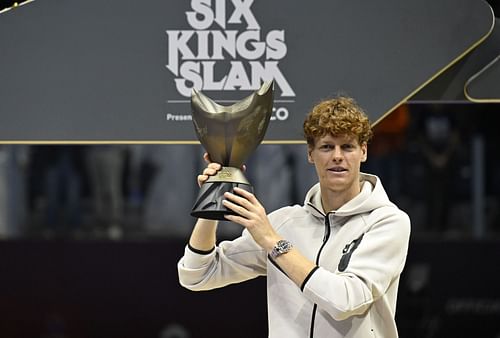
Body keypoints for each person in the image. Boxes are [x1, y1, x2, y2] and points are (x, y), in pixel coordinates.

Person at [177, 96, 411, 338]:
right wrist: (212, 202)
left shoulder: (388, 222)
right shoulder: (285, 223)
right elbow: (197, 275)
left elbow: (346, 302)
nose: (337, 156)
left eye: (347, 147)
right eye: (327, 147)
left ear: (363, 152)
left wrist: (272, 242)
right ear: (310, 154)